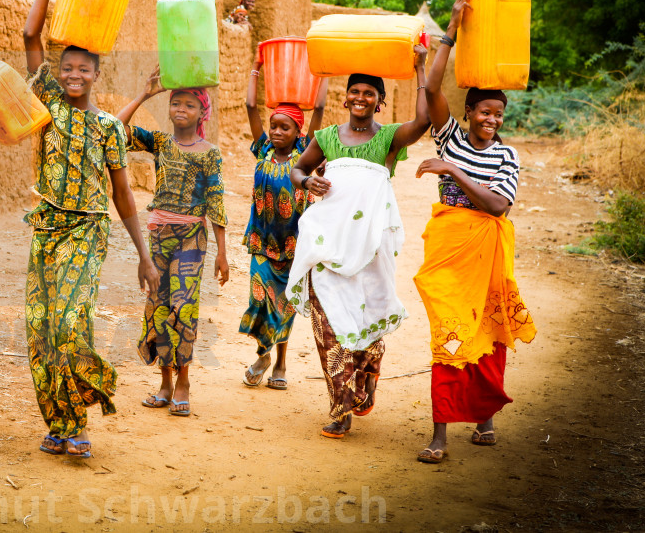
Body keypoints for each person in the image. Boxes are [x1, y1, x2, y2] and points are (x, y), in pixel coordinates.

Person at [22, 0, 160, 459]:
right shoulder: (49, 103)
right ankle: (57, 424)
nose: (73, 75)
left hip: (86, 230)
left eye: (84, 69)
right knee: (41, 329)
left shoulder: (107, 129)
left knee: (71, 322)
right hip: (47, 227)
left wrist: (144, 258)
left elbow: (123, 196)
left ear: (98, 74)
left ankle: (78, 420)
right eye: (67, 68)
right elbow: (31, 33)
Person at [413, 0, 537, 463]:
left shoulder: (508, 155)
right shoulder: (447, 134)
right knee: (448, 332)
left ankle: (484, 415)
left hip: (487, 253)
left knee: (488, 332)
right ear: (468, 113)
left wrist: (454, 172)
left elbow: (498, 207)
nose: (492, 120)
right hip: (447, 250)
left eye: (498, 114)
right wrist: (452, 28)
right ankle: (439, 433)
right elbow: (431, 90)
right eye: (484, 112)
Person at [288, 46, 430, 439]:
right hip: (327, 241)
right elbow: (297, 167)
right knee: (328, 324)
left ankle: (367, 372)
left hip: (370, 247)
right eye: (355, 92)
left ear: (380, 102)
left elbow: (424, 119)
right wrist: (306, 181)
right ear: (346, 97)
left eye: (370, 94)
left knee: (366, 318)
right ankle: (339, 409)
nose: (361, 99)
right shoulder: (327, 137)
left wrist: (420, 67)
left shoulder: (388, 139)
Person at [116, 67, 228, 418]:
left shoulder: (209, 153)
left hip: (191, 237)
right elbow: (115, 131)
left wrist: (222, 252)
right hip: (158, 236)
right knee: (157, 308)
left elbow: (216, 201)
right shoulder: (161, 142)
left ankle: (184, 383)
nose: (181, 108)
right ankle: (165, 384)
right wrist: (145, 94)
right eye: (176, 102)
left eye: (189, 105)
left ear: (201, 113)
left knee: (184, 308)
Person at [240, 51, 328, 390]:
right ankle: (263, 353)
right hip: (262, 242)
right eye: (274, 125)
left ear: (298, 131)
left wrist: (323, 73)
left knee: (286, 306)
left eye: (284, 127)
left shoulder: (305, 155)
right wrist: (256, 68)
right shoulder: (262, 149)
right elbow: (250, 107)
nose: (276, 132)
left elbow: (318, 110)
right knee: (260, 301)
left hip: (294, 245)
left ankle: (280, 364)